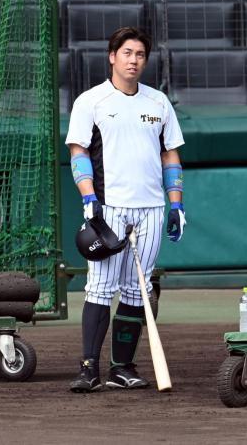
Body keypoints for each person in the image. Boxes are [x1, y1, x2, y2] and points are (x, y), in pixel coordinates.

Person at [66, 27, 186, 392]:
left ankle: (123, 367)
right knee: (101, 287)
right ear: (112, 55)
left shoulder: (158, 103)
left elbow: (170, 154)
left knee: (137, 289)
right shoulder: (92, 101)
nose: (134, 60)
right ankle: (89, 368)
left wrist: (176, 203)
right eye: (128, 53)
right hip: (109, 209)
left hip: (149, 207)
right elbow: (79, 151)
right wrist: (88, 197)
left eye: (140, 55)